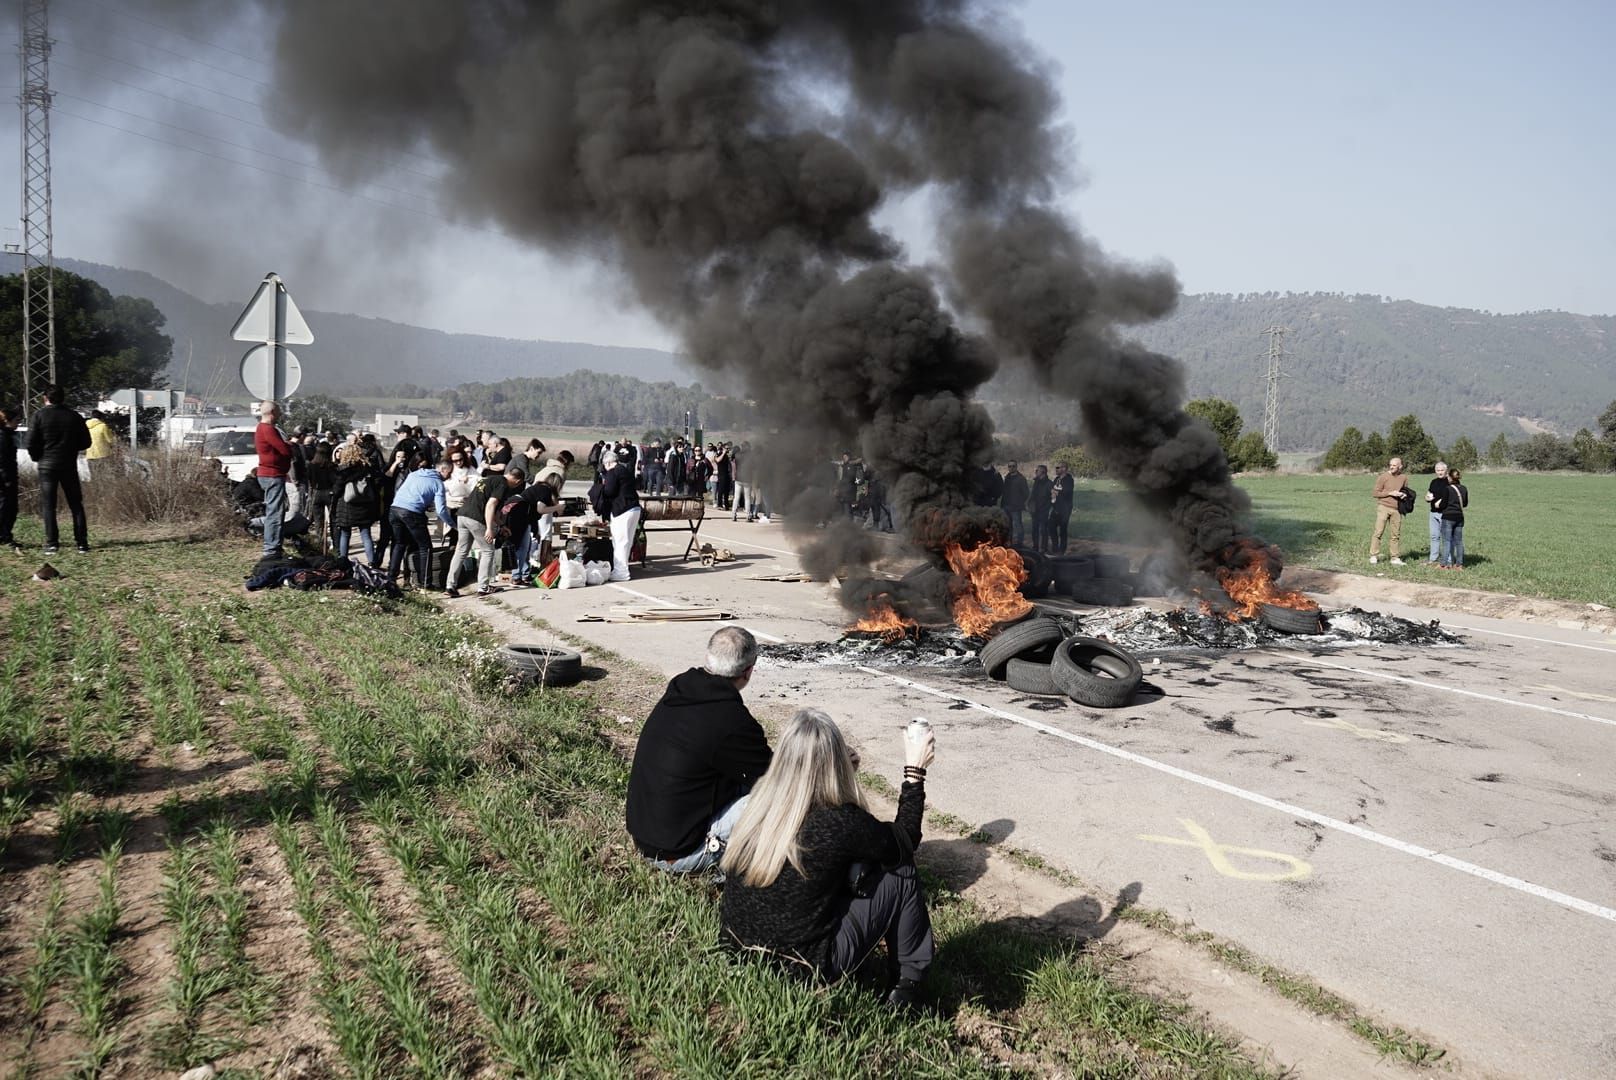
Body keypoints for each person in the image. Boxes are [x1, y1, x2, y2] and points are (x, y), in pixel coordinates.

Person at [719, 708, 935, 1007]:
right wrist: (915, 773)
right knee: (901, 871)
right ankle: (907, 991)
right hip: (805, 971)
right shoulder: (838, 821)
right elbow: (903, 841)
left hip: (738, 952)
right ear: (835, 763)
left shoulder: (758, 806)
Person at [626, 627, 772, 873]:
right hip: (680, 852)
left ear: (709, 659)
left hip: (645, 834)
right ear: (748, 671)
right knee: (782, 797)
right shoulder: (731, 721)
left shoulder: (681, 688)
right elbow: (778, 776)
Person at [27, 384, 93, 555]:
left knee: (49, 506)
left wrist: (38, 457)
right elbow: (86, 442)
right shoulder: (74, 416)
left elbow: (31, 442)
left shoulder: (39, 416)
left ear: (45, 398)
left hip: (47, 465)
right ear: (63, 398)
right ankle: (82, 543)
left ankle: (52, 544)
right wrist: (71, 449)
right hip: (68, 465)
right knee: (76, 504)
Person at [446, 463, 522, 598]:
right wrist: (489, 528)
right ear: (517, 481)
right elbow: (490, 505)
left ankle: (450, 585)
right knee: (488, 551)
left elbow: (487, 505)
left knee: (461, 551)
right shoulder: (503, 484)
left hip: (462, 516)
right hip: (476, 519)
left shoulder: (489, 479)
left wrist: (500, 525)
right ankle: (483, 587)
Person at [387, 452, 454, 589]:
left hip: (394, 509)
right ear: (443, 470)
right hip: (411, 513)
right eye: (450, 473)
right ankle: (426, 583)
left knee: (399, 544)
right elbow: (441, 511)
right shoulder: (438, 483)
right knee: (426, 548)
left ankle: (391, 578)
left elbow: (411, 491)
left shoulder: (414, 474)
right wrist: (453, 524)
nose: (450, 476)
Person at [596, 449, 642, 582]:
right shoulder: (625, 470)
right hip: (634, 508)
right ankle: (623, 569)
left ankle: (621, 572)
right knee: (627, 541)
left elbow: (609, 491)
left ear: (609, 462)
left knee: (620, 541)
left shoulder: (613, 472)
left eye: (605, 465)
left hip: (622, 510)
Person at [331, 442, 381, 562]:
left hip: (347, 505)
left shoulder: (343, 470)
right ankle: (371, 562)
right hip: (365, 505)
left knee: (345, 534)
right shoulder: (367, 468)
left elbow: (337, 489)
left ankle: (343, 560)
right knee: (365, 534)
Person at [1369, 456, 1409, 566]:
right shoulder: (1383, 477)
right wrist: (1390, 493)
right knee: (1378, 532)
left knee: (1395, 534)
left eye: (1394, 465)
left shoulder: (1404, 477)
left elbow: (1405, 490)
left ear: (1400, 466)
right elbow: (1375, 493)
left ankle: (1395, 558)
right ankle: (1373, 555)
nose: (1391, 467)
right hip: (1384, 507)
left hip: (1397, 510)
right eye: (1390, 465)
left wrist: (1403, 495)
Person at [305, 443, 337, 551]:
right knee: (333, 519)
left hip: (316, 492)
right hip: (329, 492)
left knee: (318, 520)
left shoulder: (311, 465)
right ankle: (335, 543)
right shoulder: (331, 466)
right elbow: (334, 480)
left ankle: (321, 542)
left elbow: (309, 480)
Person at [1437, 468, 1469, 569]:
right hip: (1459, 517)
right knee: (1459, 541)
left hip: (1448, 517)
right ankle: (1459, 564)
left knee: (1446, 541)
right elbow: (1465, 504)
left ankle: (1443, 564)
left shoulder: (1448, 489)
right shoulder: (1464, 488)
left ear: (1450, 477)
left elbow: (1443, 504)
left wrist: (1438, 504)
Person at [0, 405, 20, 552]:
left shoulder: (6, 435)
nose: (17, 423)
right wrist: (6, 479)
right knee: (6, 507)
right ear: (7, 421)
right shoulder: (3, 437)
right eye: (15, 421)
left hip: (7, 477)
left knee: (10, 508)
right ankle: (3, 535)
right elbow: (2, 460)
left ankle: (6, 534)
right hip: (4, 479)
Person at [1424, 461, 1451, 565]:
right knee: (1434, 536)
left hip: (1445, 513)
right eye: (1438, 470)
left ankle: (1448, 560)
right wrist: (1427, 498)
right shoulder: (1433, 482)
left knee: (1446, 537)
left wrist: (1441, 502)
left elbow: (1452, 496)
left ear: (1446, 471)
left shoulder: (1450, 482)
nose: (1440, 472)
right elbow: (1429, 493)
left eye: (1442, 470)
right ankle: (1433, 558)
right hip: (1433, 512)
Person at [1047, 462, 1074, 554]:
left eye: (1058, 468)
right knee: (1051, 527)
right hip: (1055, 508)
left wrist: (1057, 492)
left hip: (1065, 509)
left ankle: (1062, 550)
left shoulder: (1069, 480)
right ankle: (1055, 548)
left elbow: (1067, 492)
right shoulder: (1056, 479)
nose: (1056, 469)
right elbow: (1053, 490)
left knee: (1063, 530)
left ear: (1064, 469)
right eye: (1056, 468)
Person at [1000, 460, 1028, 545]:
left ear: (1016, 467)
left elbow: (1026, 493)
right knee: (1008, 526)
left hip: (1015, 507)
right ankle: (1010, 542)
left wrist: (1019, 502)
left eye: (1013, 466)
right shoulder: (1007, 478)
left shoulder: (1021, 478)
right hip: (1006, 505)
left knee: (1018, 526)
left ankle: (1019, 543)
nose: (1011, 468)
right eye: (1010, 466)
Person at [85, 410, 117, 482]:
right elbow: (110, 440)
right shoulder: (103, 426)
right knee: (104, 476)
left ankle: (95, 491)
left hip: (90, 454)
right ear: (101, 418)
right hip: (103, 454)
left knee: (94, 477)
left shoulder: (85, 427)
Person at [1028, 465, 1052, 554]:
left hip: (1044, 510)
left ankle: (1044, 548)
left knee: (1043, 530)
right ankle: (1035, 547)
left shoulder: (1049, 484)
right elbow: (1032, 495)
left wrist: (1048, 508)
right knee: (1034, 529)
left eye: (1037, 471)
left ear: (1043, 472)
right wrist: (1029, 504)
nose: (1035, 472)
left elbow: (1053, 498)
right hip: (1035, 510)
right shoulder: (1036, 482)